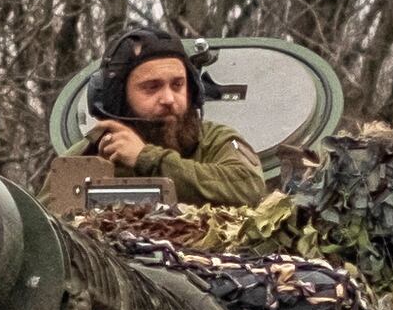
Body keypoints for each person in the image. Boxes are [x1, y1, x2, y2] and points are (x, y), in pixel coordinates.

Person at [80, 29, 273, 209]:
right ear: (117, 97)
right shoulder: (90, 155)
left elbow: (250, 188)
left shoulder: (214, 140)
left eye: (177, 84)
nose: (169, 99)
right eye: (152, 87)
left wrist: (146, 158)